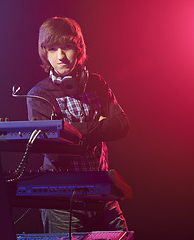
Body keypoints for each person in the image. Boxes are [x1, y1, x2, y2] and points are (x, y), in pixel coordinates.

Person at [27, 17, 130, 233]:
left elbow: (121, 125)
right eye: (53, 49)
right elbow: (54, 152)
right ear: (44, 52)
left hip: (104, 192)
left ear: (79, 47)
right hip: (64, 200)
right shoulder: (39, 95)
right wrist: (99, 125)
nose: (61, 56)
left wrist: (68, 130)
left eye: (66, 47)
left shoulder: (97, 83)